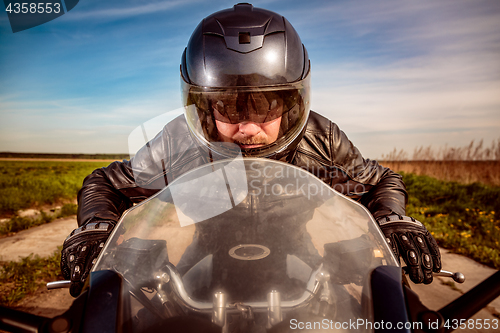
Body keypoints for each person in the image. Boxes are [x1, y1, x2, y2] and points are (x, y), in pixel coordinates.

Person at [61, 3, 441, 297]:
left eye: (264, 106)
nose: (246, 127)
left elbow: (380, 181)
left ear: (290, 103)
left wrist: (393, 219)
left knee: (403, 309)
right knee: (99, 309)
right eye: (227, 105)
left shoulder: (321, 137)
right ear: (204, 106)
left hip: (303, 260)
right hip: (200, 260)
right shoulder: (180, 138)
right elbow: (105, 182)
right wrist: (96, 227)